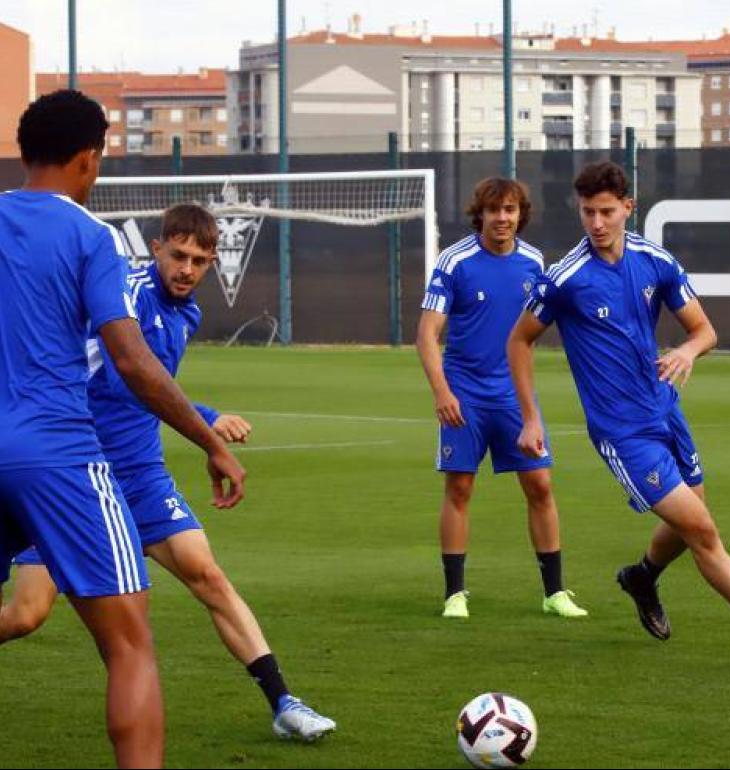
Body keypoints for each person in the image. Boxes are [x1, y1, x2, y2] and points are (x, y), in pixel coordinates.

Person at [1, 203, 336, 741]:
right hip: (74, 476)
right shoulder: (127, 292)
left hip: (138, 473)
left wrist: (206, 418)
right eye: (178, 255)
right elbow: (128, 378)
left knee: (208, 576)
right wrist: (207, 425)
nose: (187, 268)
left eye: (200, 260)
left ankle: (284, 703)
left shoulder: (187, 313)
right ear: (156, 248)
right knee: (25, 614)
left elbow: (150, 388)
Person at [0, 89, 245, 768]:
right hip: (57, 454)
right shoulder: (90, 236)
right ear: (88, 159)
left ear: (25, 153)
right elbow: (132, 362)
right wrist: (212, 440)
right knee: (130, 642)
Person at [508, 160, 730, 673]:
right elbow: (519, 341)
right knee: (702, 530)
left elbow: (705, 330)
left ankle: (642, 577)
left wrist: (686, 351)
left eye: (607, 211)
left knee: (687, 526)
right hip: (622, 431)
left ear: (628, 208)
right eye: (588, 212)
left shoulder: (655, 260)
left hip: (666, 412)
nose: (596, 223)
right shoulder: (564, 278)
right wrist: (530, 417)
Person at [417, 177, 587, 620]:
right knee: (460, 486)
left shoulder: (534, 262)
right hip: (465, 394)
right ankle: (455, 594)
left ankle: (554, 593)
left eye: (510, 210)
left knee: (541, 485)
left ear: (520, 215)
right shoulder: (454, 262)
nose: (502, 218)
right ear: (481, 215)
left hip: (514, 396)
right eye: (494, 210)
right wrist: (442, 391)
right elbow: (427, 334)